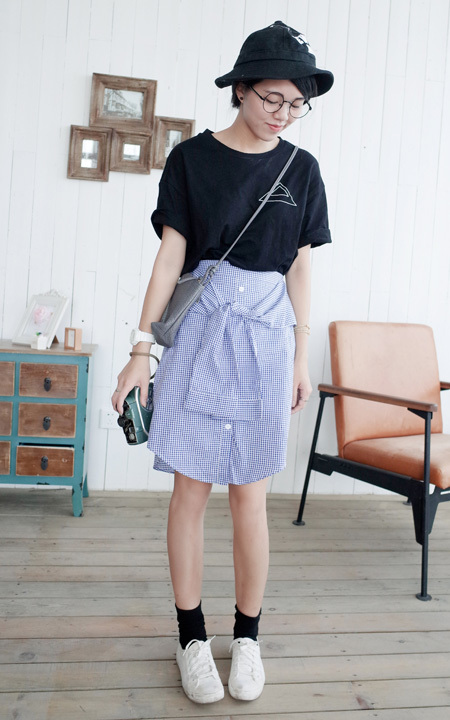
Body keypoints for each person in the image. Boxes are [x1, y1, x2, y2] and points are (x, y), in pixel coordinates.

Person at [112, 20, 333, 705]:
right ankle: (190, 638)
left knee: (250, 498)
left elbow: (299, 268)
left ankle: (248, 638)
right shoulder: (191, 160)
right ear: (241, 89)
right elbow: (171, 261)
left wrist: (301, 355)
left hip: (268, 344)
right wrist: (141, 351)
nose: (283, 113)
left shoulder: (302, 169)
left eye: (296, 104)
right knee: (190, 492)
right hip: (200, 338)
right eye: (273, 98)